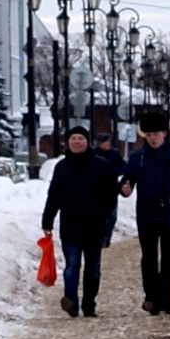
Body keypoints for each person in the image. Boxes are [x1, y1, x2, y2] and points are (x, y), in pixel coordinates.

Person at [121, 108, 170, 314]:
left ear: (164, 134)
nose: (152, 139)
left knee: (169, 256)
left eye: (155, 134)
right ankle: (151, 297)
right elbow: (126, 180)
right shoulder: (137, 157)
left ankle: (166, 297)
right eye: (148, 135)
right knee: (148, 256)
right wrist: (125, 188)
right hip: (147, 212)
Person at [39, 124, 122, 317]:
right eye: (73, 139)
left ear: (87, 142)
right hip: (70, 225)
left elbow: (111, 194)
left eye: (80, 138)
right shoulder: (61, 167)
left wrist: (102, 215)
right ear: (68, 142)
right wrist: (47, 221)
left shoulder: (101, 165)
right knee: (72, 265)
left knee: (92, 269)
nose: (77, 142)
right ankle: (71, 301)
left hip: (94, 226)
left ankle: (89, 304)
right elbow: (54, 196)